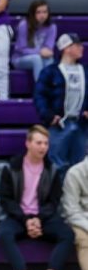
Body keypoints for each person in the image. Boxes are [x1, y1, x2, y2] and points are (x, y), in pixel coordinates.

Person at [0, 125, 71, 270]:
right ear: (28, 144)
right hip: (18, 217)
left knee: (67, 234)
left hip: (43, 218)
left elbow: (53, 201)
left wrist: (38, 219)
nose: (43, 147)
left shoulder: (52, 170)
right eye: (39, 143)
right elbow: (6, 200)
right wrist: (25, 220)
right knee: (4, 233)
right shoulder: (11, 168)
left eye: (46, 143)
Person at [33, 33, 88, 176]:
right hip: (59, 125)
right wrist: (48, 115)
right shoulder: (50, 71)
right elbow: (39, 96)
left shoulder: (85, 71)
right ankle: (57, 197)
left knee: (80, 168)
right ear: (66, 48)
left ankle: (76, 198)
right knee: (57, 165)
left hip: (81, 124)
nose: (81, 48)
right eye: (77, 45)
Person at [13, 0, 56, 82]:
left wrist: (47, 52)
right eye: (38, 12)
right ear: (33, 14)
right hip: (20, 58)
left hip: (40, 57)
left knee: (50, 60)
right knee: (37, 59)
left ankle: (50, 91)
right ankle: (40, 90)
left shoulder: (52, 27)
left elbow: (48, 48)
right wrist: (39, 51)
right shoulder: (24, 25)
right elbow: (21, 49)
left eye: (45, 12)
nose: (42, 15)